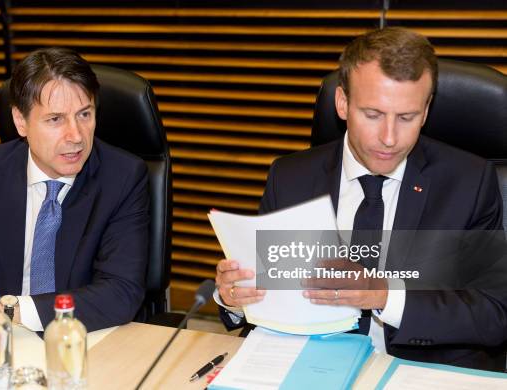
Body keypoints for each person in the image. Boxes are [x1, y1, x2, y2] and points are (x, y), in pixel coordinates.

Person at [214, 27, 507, 370]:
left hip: (417, 371)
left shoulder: (468, 182)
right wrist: (234, 298)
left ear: (426, 112)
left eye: (407, 117)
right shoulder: (290, 177)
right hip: (310, 365)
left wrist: (385, 295)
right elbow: (267, 293)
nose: (389, 138)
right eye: (372, 114)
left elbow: (494, 313)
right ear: (343, 103)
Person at [0, 47, 149, 345]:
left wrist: (5, 310)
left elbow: (121, 291)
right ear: (21, 122)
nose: (76, 136)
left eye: (85, 114)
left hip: (84, 341)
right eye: (55, 119)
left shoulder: (122, 177)